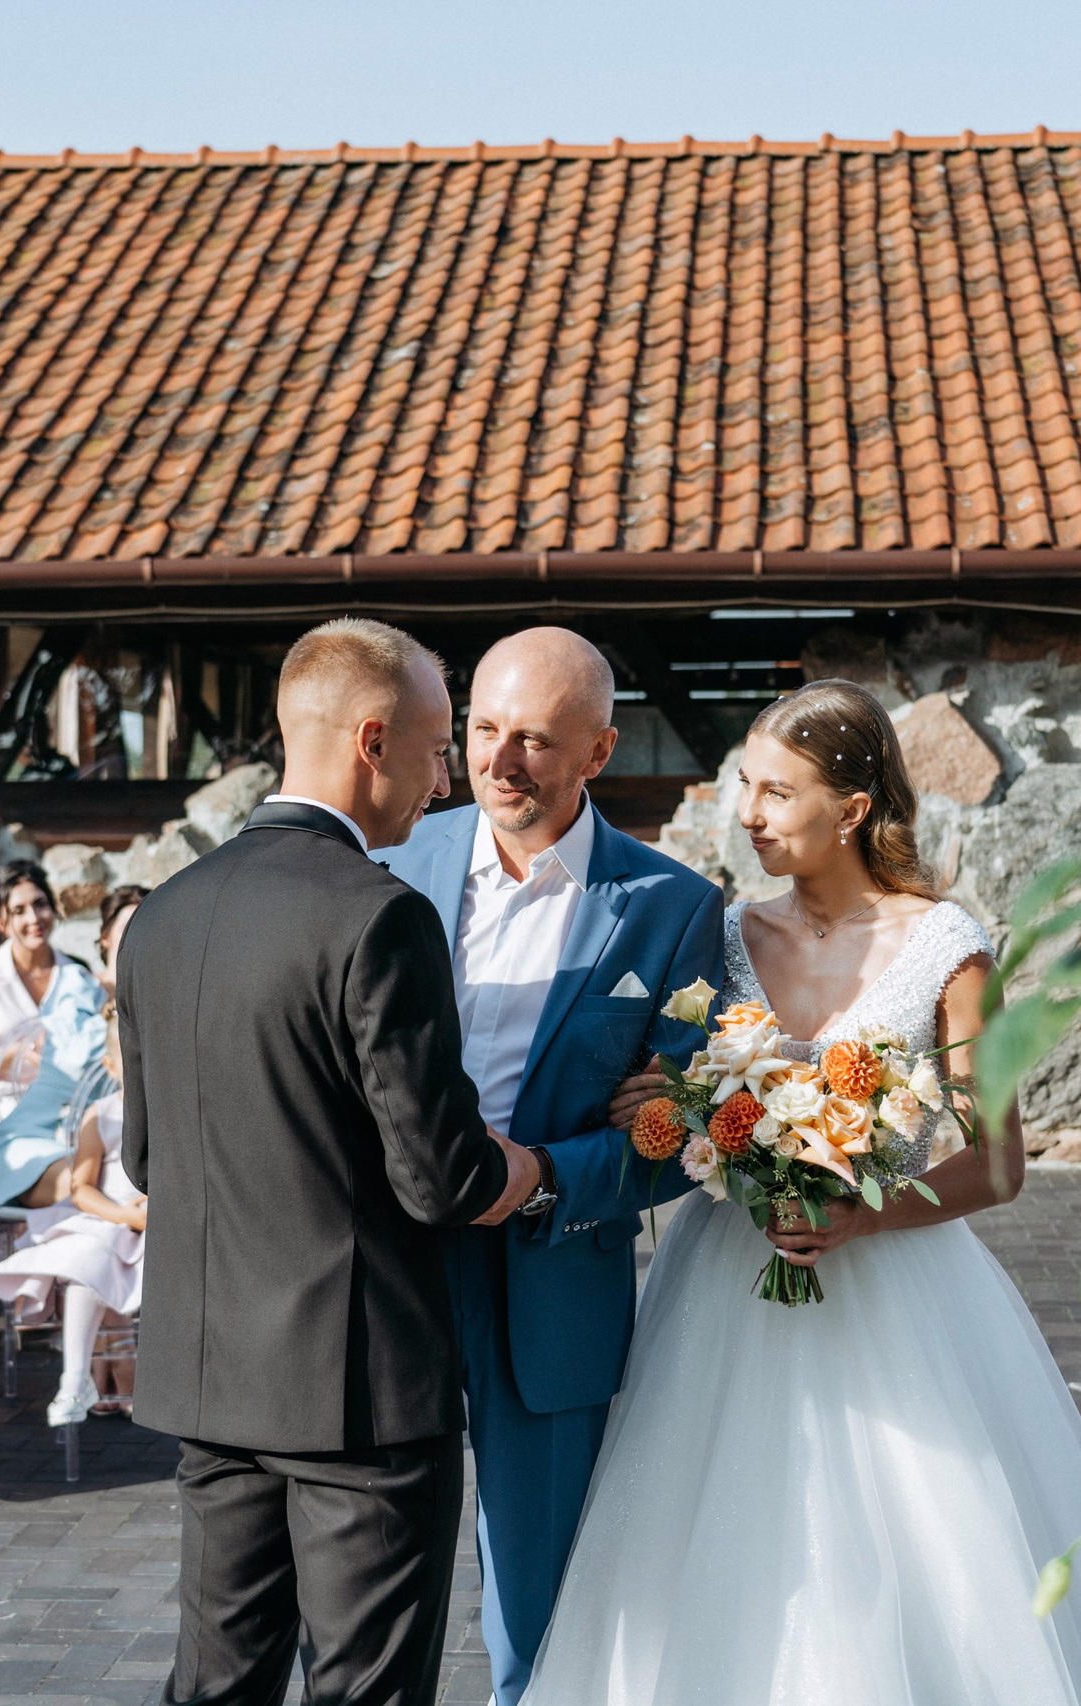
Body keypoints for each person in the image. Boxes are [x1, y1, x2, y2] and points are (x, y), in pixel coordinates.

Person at [524, 680, 1081, 1706]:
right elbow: (671, 1073)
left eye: (775, 793)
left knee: (917, 1553)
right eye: (743, 788)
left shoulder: (945, 945)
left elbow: (1003, 1159)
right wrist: (667, 1101)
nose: (746, 815)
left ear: (849, 809)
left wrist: (863, 1211)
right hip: (724, 1282)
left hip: (897, 1291)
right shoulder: (713, 933)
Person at [120, 617, 535, 1706]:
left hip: (212, 1374)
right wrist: (528, 1168)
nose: (448, 777)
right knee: (365, 1689)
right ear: (373, 738)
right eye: (441, 747)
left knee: (216, 1681)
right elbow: (441, 1177)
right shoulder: (379, 917)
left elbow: (149, 1154)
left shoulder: (161, 913)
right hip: (358, 1388)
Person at [370, 627, 724, 1706]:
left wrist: (551, 1175)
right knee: (372, 1582)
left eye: (533, 738)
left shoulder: (671, 907)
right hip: (392, 1277)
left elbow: (686, 1131)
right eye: (482, 729)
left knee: (541, 1600)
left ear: (598, 752)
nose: (499, 759)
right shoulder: (387, 869)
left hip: (556, 1274)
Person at [0, 1007, 143, 1424]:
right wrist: (123, 1214)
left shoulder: (176, 1110)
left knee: (100, 1257)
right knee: (82, 1261)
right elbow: (82, 1190)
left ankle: (116, 1365)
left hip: (156, 1228)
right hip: (110, 1219)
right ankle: (75, 1378)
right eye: (133, 1062)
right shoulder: (103, 1115)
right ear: (111, 1066)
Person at [0, 862, 100, 1270]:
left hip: (64, 1108)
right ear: (1, 920)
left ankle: (55, 1270)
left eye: (41, 905)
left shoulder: (77, 975)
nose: (34, 918)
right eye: (19, 910)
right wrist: (13, 1056)